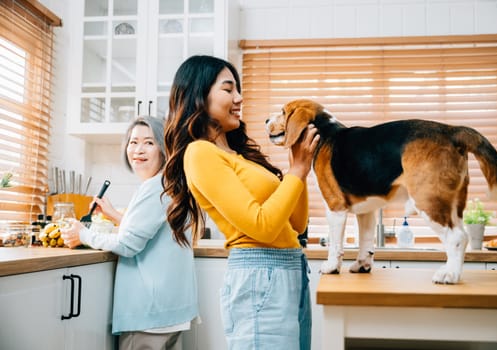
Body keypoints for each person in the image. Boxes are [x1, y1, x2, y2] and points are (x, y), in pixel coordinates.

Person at [162, 55, 319, 350]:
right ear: (199, 94)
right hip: (260, 279)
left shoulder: (241, 157)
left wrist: (298, 167)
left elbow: (296, 224)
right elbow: (263, 227)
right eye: (228, 89)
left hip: (290, 271)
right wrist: (297, 171)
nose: (239, 98)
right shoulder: (200, 153)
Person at [61, 116, 199, 350]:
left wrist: (83, 234)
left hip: (148, 315)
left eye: (148, 142)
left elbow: (128, 244)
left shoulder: (154, 187)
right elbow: (151, 231)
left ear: (164, 148)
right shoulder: (168, 184)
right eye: (133, 142)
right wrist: (115, 215)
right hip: (171, 313)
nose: (138, 149)